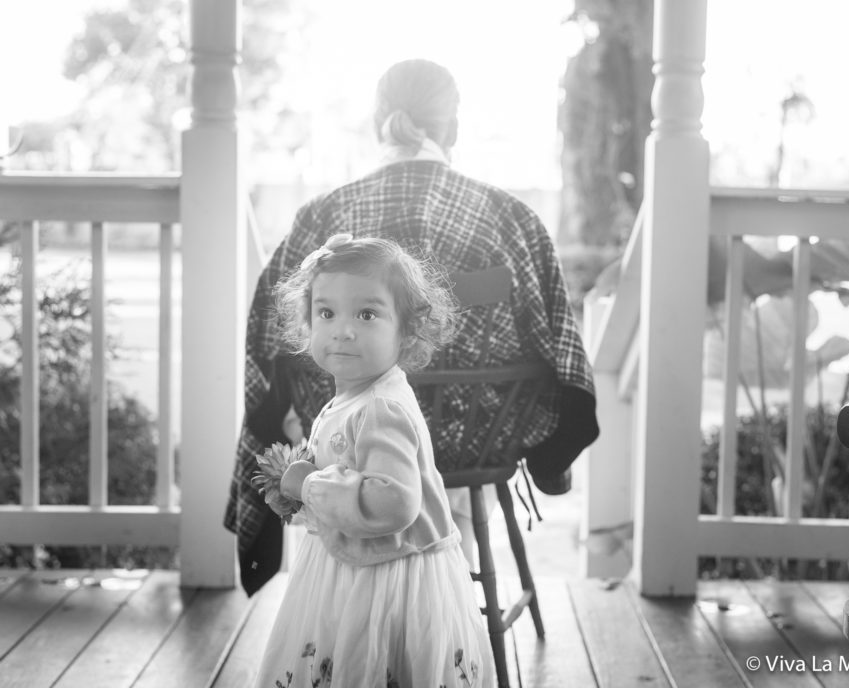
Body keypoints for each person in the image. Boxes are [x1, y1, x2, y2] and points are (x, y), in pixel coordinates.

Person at [225, 58, 599, 594]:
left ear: (380, 122)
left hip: (349, 442)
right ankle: (447, 583)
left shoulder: (323, 214)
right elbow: (562, 355)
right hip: (479, 442)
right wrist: (549, 455)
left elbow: (266, 341)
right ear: (454, 128)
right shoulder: (510, 217)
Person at [252, 234, 495, 687]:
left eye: (367, 314)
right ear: (308, 324)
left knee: (373, 662)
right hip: (355, 563)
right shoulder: (357, 394)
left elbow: (394, 504)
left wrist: (308, 486)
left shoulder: (382, 408)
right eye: (326, 313)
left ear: (406, 330)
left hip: (389, 578)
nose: (343, 330)